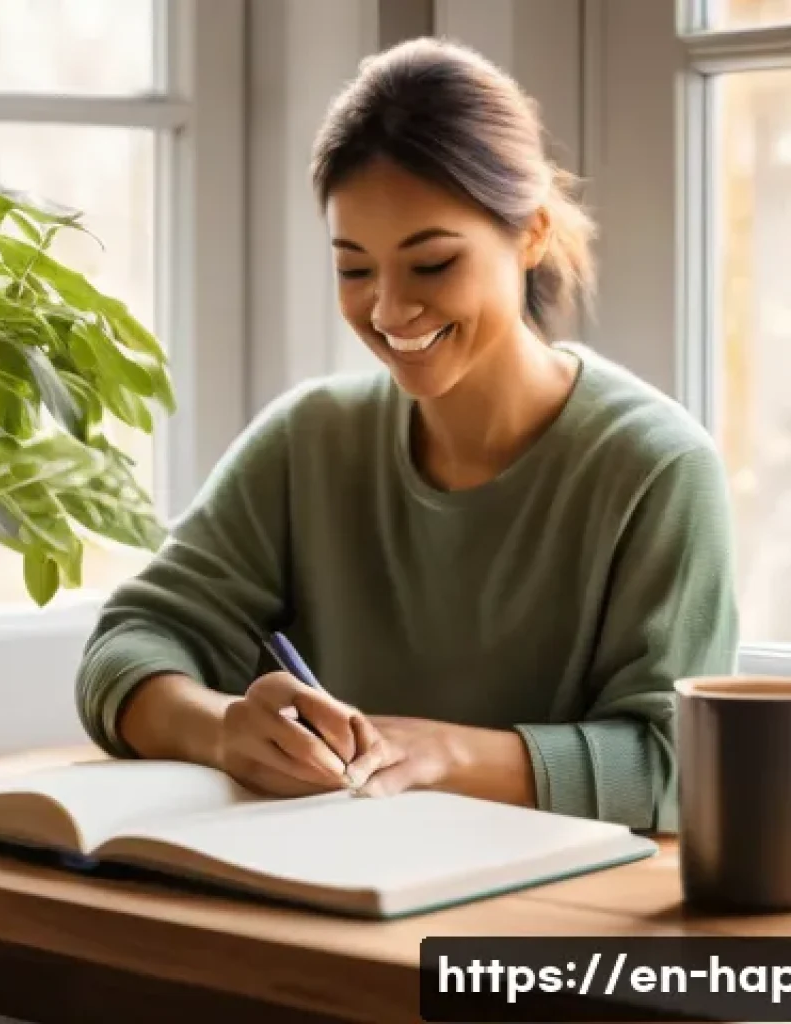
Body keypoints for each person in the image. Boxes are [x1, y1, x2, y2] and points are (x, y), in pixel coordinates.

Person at [75, 37, 738, 833]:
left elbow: (674, 766)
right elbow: (127, 649)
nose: (388, 311)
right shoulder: (308, 441)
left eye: (431, 266)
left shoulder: (658, 470)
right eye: (355, 269)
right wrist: (222, 730)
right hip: (317, 894)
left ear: (529, 234)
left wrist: (436, 755)